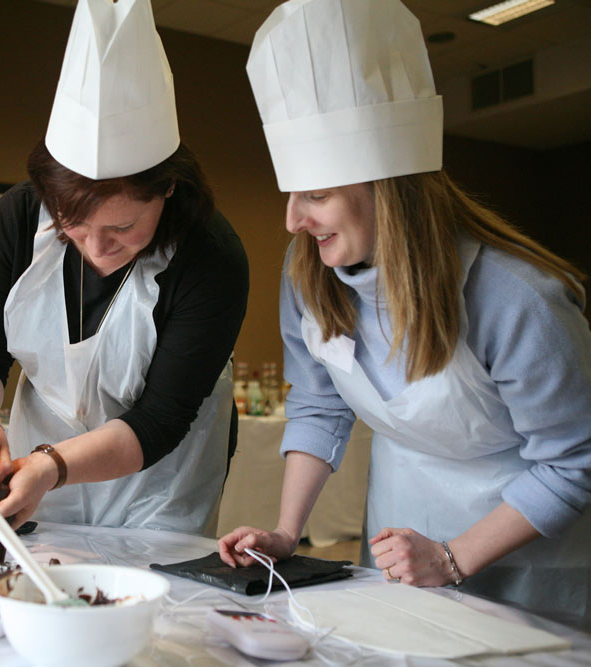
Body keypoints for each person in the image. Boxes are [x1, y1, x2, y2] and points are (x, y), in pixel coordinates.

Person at [218, 0, 591, 628]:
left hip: (534, 554)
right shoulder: (308, 274)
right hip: (402, 539)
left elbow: (575, 459)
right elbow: (319, 404)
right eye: (291, 193)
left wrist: (452, 557)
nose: (291, 221)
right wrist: (287, 532)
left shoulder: (517, 298)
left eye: (316, 195)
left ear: (388, 189)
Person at [0, 0, 248, 537]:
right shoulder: (16, 217)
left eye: (122, 229)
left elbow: (159, 420)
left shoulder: (211, 257)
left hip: (160, 468)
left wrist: (53, 465)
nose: (96, 249)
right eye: (74, 227)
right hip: (43, 442)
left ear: (169, 188)